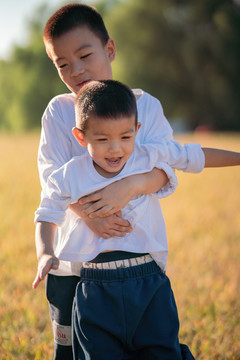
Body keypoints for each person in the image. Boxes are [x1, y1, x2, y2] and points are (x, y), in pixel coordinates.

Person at [33, 3, 240, 360]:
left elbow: (170, 166)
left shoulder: (145, 106)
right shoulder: (58, 111)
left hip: (139, 255)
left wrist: (127, 187)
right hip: (76, 261)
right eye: (62, 64)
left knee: (155, 346)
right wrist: (88, 214)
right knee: (76, 350)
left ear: (109, 49)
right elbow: (52, 179)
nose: (76, 70)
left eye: (84, 55)